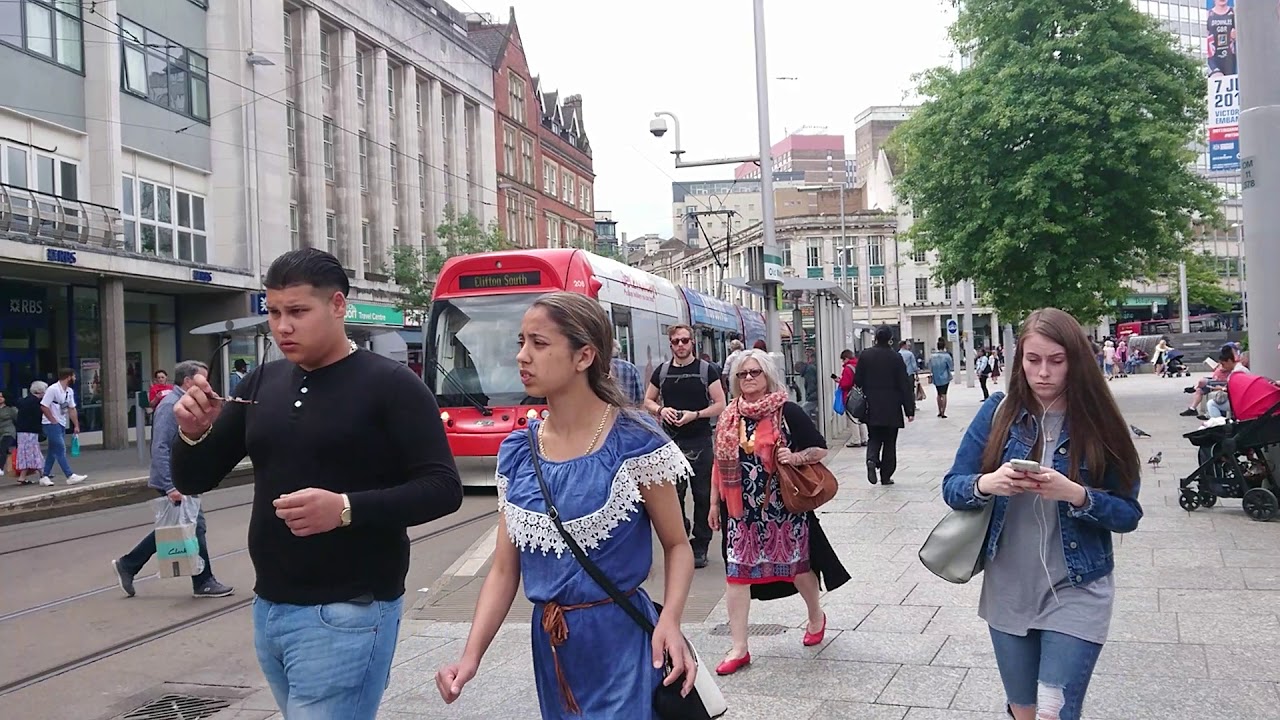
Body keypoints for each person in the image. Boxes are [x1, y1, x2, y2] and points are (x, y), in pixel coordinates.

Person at [170, 248, 464, 719]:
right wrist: (191, 433)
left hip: (350, 609)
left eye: (298, 312)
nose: (282, 326)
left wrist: (345, 508)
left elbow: (443, 488)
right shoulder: (260, 383)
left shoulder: (392, 385)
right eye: (274, 312)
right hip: (270, 607)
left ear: (338, 305)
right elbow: (194, 479)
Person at [435, 292, 697, 719]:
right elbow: (504, 570)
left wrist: (670, 619)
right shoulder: (519, 452)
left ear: (584, 356)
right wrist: (471, 657)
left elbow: (677, 544)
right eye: (521, 342)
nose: (522, 356)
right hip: (553, 648)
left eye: (539, 343)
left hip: (623, 642)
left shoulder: (635, 441)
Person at [941, 308, 1142, 720]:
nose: (1044, 372)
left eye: (1056, 360)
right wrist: (987, 483)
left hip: (1077, 589)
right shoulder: (998, 413)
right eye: (1033, 360)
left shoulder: (1100, 424)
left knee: (1053, 713)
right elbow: (953, 486)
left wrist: (1077, 495)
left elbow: (1128, 513)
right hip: (1008, 592)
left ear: (1076, 361)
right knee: (1024, 713)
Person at [708, 350, 849, 676]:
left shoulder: (787, 411)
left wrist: (794, 457)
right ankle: (739, 647)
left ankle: (816, 616)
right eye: (742, 374)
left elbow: (819, 448)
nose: (748, 378)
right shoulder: (729, 416)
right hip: (740, 514)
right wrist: (714, 504)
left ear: (767, 375)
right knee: (736, 576)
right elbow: (718, 463)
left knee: (798, 569)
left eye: (754, 372)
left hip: (783, 511)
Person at [112, 360, 234, 599]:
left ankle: (128, 565)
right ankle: (203, 582)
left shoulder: (185, 403)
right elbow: (160, 447)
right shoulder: (171, 405)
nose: (206, 385)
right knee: (193, 526)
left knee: (181, 526)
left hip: (184, 476)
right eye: (202, 379)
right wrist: (171, 485)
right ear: (188, 381)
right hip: (176, 479)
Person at [643, 324, 727, 570]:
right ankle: (682, 530)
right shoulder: (662, 372)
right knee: (673, 494)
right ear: (670, 344)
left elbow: (720, 404)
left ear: (692, 342)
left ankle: (701, 544)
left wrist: (696, 415)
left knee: (702, 494)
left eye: (685, 340)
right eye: (676, 341)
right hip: (671, 443)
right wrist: (661, 410)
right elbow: (648, 400)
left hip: (700, 440)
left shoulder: (706, 370)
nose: (680, 345)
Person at [855, 327, 916, 486]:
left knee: (874, 437)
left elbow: (858, 380)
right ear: (890, 339)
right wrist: (909, 409)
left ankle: (871, 459)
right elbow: (904, 385)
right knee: (889, 442)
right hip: (892, 407)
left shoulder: (865, 355)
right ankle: (886, 475)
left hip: (871, 405)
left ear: (875, 338)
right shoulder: (896, 357)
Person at [40, 368, 86, 486]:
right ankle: (69, 475)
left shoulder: (69, 391)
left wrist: (76, 425)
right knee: (60, 448)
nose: (75, 378)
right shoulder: (53, 389)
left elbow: (72, 409)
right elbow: (44, 406)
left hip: (61, 423)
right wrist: (52, 420)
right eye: (73, 376)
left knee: (53, 450)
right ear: (68, 377)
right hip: (50, 424)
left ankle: (44, 476)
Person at [14, 383, 46, 485]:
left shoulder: (24, 401)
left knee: (25, 454)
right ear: (40, 391)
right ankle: (43, 474)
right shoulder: (36, 403)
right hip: (31, 431)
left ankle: (22, 477)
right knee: (34, 452)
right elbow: (37, 418)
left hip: (21, 432)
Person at [836, 349, 866, 448]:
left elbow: (846, 384)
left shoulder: (848, 368)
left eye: (843, 360)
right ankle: (864, 438)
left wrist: (839, 381)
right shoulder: (859, 365)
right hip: (860, 394)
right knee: (860, 418)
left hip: (850, 396)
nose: (842, 362)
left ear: (846, 358)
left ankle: (856, 440)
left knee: (852, 418)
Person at [610, 340, 644, 406]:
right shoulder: (631, 367)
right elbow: (640, 397)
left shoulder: (601, 367)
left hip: (607, 410)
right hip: (629, 409)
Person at [929, 338, 955, 418]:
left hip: (936, 377)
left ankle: (939, 411)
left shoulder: (932, 356)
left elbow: (930, 367)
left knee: (938, 394)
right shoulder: (947, 356)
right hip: (945, 377)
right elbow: (951, 366)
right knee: (944, 394)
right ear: (944, 346)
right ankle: (943, 412)